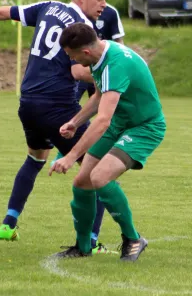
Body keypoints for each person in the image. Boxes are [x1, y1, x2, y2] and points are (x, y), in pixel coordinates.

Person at [0, 0, 111, 254]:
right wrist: (107, 76)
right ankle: (90, 243)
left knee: (36, 157)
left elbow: (1, 12)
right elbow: (76, 71)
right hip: (56, 105)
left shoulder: (48, 7)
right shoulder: (82, 30)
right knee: (102, 169)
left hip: (28, 103)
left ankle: (9, 223)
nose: (103, 5)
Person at [48, 23, 166, 262]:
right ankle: (83, 247)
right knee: (82, 182)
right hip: (120, 124)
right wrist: (76, 121)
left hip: (145, 127)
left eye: (72, 55)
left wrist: (70, 157)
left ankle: (133, 238)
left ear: (86, 52)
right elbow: (99, 96)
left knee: (100, 177)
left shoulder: (115, 64)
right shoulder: (103, 53)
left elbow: (102, 121)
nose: (71, 60)